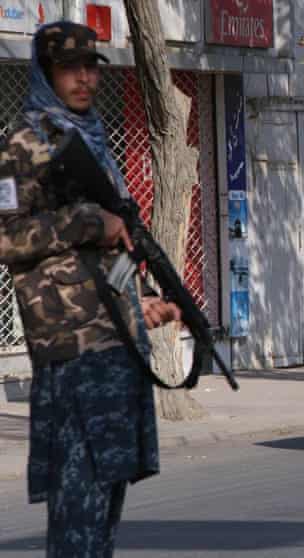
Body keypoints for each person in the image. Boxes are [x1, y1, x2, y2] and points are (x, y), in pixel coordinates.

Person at [0, 21, 182, 557]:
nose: (83, 79)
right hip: (72, 349)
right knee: (78, 513)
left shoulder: (89, 138)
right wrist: (84, 222)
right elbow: (4, 235)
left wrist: (137, 299)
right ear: (44, 72)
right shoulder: (23, 145)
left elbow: (104, 249)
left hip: (116, 340)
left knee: (106, 504)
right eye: (68, 68)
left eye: (90, 67)